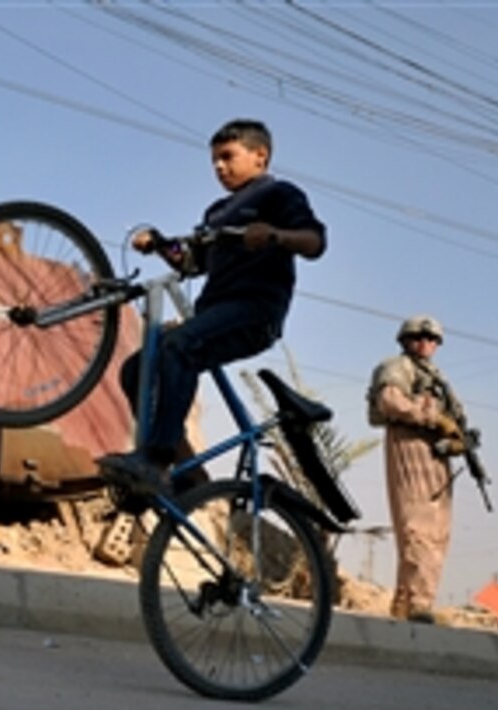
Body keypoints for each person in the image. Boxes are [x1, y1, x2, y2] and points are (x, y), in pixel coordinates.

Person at [98, 118, 327, 497]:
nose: (219, 167)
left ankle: (154, 459)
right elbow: (191, 263)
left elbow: (315, 241)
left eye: (227, 157)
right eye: (214, 161)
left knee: (179, 346)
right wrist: (159, 244)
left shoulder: (278, 195)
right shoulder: (217, 212)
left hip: (255, 310)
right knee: (136, 369)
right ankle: (187, 468)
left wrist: (275, 235)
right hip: (213, 314)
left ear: (260, 156)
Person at [368, 315, 464, 624]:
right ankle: (417, 603)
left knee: (437, 531)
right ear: (405, 340)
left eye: (432, 339)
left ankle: (409, 603)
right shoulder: (397, 368)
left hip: (436, 453)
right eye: (418, 337)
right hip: (409, 443)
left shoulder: (437, 377)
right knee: (417, 526)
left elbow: (455, 418)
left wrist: (456, 437)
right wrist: (433, 419)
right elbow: (390, 402)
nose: (425, 343)